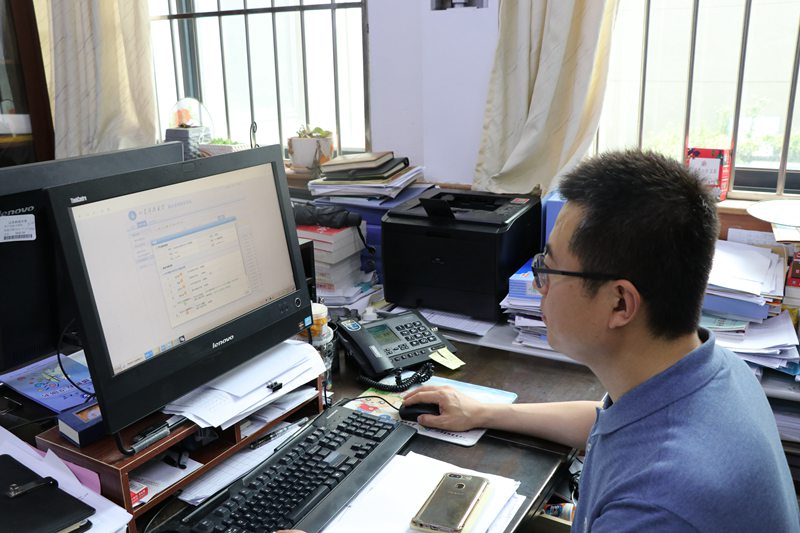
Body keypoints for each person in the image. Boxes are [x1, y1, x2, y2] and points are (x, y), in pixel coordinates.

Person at [403, 150, 800, 532]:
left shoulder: (654, 506)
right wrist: (486, 413)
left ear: (620, 303)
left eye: (549, 269)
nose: (539, 286)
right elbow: (609, 421)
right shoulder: (715, 371)